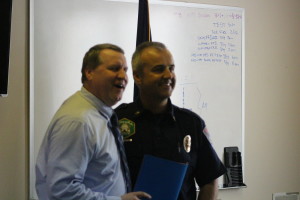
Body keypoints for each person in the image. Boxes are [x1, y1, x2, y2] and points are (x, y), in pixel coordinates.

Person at [35, 43, 151, 200]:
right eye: (114, 68)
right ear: (89, 72)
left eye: (125, 70)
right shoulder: (79, 121)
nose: (123, 76)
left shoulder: (99, 114)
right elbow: (62, 191)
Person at [115, 42, 227, 200]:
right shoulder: (116, 121)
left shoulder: (191, 124)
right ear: (138, 76)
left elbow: (209, 179)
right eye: (159, 69)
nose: (168, 75)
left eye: (171, 68)